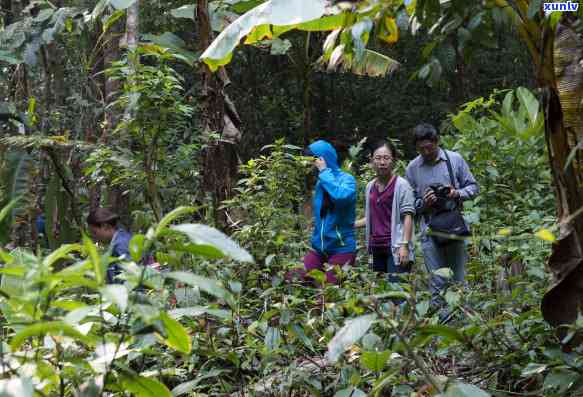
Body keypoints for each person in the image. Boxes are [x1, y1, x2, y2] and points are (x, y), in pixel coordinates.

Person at [405, 123, 479, 315]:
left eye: (429, 147)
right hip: (429, 228)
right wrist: (425, 202)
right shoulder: (413, 168)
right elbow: (410, 205)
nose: (426, 152)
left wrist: (456, 193)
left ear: (437, 142)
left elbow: (473, 188)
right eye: (421, 149)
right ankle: (441, 326)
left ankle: (464, 324)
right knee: (436, 280)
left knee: (459, 278)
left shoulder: (454, 160)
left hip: (454, 225)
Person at [355, 140, 415, 281]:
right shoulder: (370, 186)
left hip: (396, 248)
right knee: (381, 295)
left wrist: (404, 245)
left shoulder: (402, 185)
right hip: (376, 248)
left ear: (393, 160)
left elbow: (408, 216)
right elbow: (372, 217)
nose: (382, 162)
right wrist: (350, 224)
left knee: (397, 294)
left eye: (386, 158)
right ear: (371, 160)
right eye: (378, 158)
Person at [303, 139, 357, 285]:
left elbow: (341, 197)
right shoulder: (321, 182)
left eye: (312, 161)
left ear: (323, 159)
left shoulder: (347, 179)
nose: (310, 166)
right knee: (295, 278)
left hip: (342, 247)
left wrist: (325, 171)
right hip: (319, 248)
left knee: (328, 294)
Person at [87, 208, 133, 284]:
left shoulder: (121, 244)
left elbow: (132, 276)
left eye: (94, 232)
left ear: (105, 226)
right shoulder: (122, 239)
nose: (94, 237)